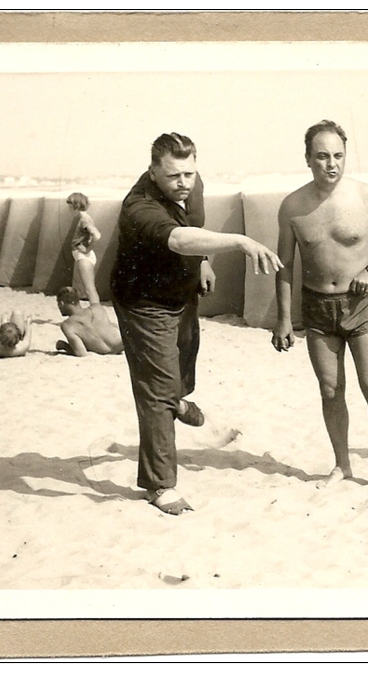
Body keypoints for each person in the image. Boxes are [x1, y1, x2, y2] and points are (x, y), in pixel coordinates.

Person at [111, 132, 283, 516]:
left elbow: (195, 225)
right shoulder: (138, 207)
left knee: (179, 375)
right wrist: (238, 241)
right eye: (173, 176)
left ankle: (177, 400)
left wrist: (204, 259)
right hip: (144, 303)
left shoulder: (192, 184)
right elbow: (179, 239)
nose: (183, 183)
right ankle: (160, 486)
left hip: (183, 292)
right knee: (156, 393)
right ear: (152, 171)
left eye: (189, 173)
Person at [271, 120, 368, 499]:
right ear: (307, 159)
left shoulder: (365, 196)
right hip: (317, 307)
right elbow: (285, 266)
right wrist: (283, 319)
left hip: (361, 304)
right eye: (322, 156)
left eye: (338, 155)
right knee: (331, 390)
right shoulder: (292, 206)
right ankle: (342, 464)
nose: (331, 164)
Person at [54, 286, 124, 356]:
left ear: (61, 303)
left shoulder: (67, 325)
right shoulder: (97, 307)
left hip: (104, 350)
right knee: (112, 325)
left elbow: (81, 353)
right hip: (121, 343)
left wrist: (64, 346)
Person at [67, 192, 102, 305]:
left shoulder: (84, 220)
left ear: (76, 206)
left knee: (89, 289)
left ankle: (98, 316)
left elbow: (97, 235)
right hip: (83, 256)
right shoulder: (83, 218)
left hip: (84, 257)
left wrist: (87, 249)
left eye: (70, 206)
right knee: (89, 289)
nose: (69, 209)